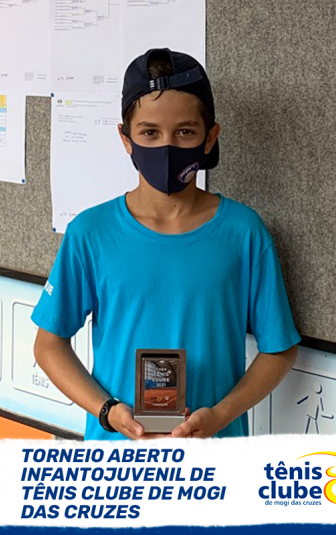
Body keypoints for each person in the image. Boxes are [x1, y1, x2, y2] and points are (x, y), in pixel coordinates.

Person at [31, 48, 301, 441]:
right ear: (126, 138)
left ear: (210, 138)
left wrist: (220, 415)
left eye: (185, 132)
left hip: (213, 456)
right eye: (150, 132)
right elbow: (49, 344)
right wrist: (107, 411)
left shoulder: (243, 232)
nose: (167, 146)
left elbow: (279, 348)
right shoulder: (91, 233)